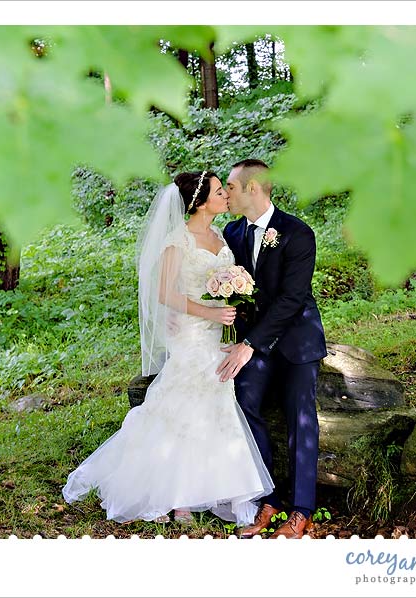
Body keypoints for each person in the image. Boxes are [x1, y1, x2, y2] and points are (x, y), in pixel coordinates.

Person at [62, 171, 273, 525]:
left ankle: (206, 487)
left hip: (218, 334)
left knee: (215, 405)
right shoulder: (179, 241)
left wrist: (231, 305)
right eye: (219, 192)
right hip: (191, 334)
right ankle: (177, 498)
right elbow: (164, 293)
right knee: (183, 405)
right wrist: (209, 312)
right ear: (200, 202)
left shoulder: (220, 235)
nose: (225, 196)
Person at [217, 159, 327, 539]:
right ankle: (269, 499)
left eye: (231, 187)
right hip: (255, 344)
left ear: (252, 188)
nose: (226, 194)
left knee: (300, 416)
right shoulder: (232, 232)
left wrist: (250, 344)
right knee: (243, 401)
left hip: (297, 340)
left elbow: (292, 298)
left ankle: (301, 511)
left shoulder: (297, 233)